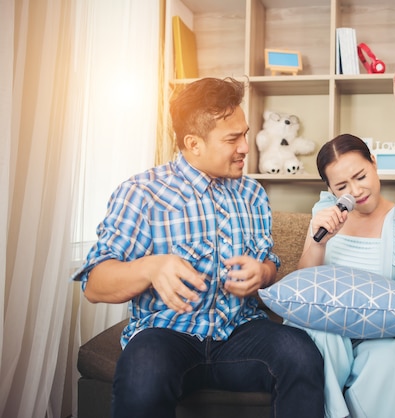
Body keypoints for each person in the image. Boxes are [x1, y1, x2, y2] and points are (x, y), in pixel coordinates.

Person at [72, 77, 324, 418]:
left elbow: (270, 264)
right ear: (193, 143)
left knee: (302, 354)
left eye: (245, 134)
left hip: (240, 332)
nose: (246, 147)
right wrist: (150, 267)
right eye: (232, 139)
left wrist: (263, 272)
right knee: (143, 372)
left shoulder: (252, 194)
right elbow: (94, 285)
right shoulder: (142, 193)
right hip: (167, 335)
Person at [295, 71, 395, 418]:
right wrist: (316, 240)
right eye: (342, 185)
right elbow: (303, 284)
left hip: (378, 329)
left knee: (386, 358)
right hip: (326, 323)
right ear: (329, 187)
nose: (355, 191)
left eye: (361, 176)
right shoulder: (326, 211)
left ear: (375, 164)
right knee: (324, 339)